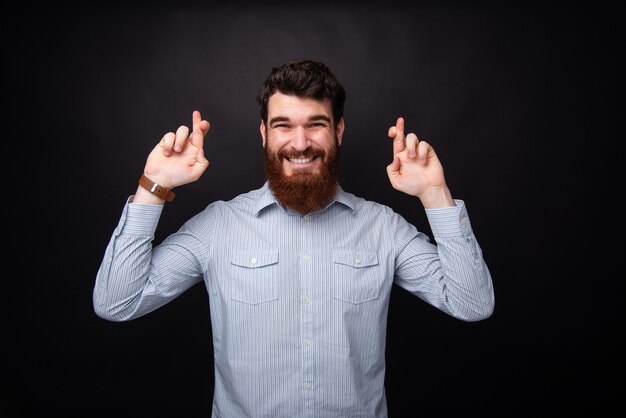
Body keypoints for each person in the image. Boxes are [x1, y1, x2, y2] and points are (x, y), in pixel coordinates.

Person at [93, 59, 495, 417]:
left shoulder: (383, 227)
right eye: (283, 125)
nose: (300, 143)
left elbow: (472, 304)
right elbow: (117, 302)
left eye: (316, 125)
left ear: (337, 130)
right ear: (264, 133)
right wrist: (153, 186)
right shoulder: (218, 226)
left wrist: (434, 193)